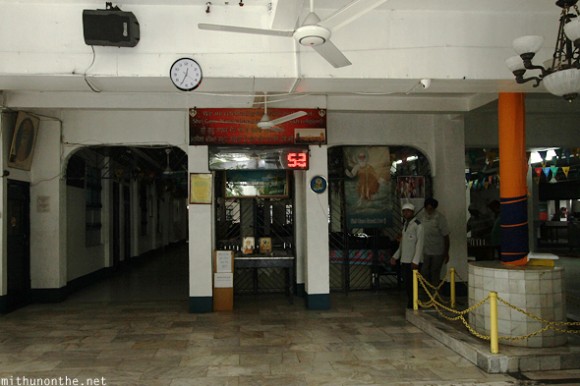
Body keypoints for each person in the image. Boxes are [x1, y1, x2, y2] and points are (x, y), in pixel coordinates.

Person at [390, 203, 424, 309]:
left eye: (408, 211)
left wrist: (416, 261)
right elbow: (402, 244)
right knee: (408, 284)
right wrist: (395, 256)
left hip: (413, 261)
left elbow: (420, 244)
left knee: (412, 284)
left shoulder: (418, 225)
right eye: (404, 211)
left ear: (413, 212)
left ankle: (414, 303)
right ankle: (411, 302)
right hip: (405, 259)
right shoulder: (406, 225)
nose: (406, 213)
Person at [419, 198, 450, 288]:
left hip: (438, 250)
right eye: (427, 208)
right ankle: (425, 290)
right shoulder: (421, 217)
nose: (429, 211)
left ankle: (435, 291)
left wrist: (446, 252)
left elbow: (446, 236)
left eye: (431, 209)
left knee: (435, 271)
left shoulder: (440, 218)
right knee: (424, 271)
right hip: (425, 250)